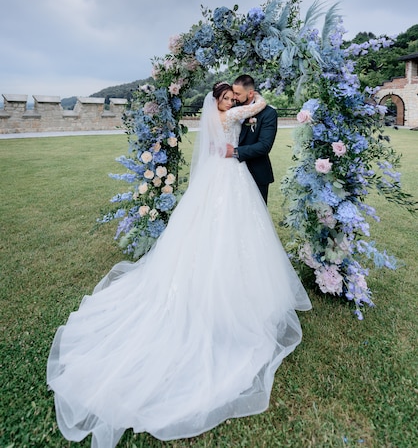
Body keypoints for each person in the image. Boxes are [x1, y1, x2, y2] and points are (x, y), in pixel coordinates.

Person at [47, 82, 311, 448]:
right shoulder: (232, 113)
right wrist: (255, 100)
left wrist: (247, 109)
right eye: (227, 97)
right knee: (224, 230)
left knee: (229, 229)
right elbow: (254, 109)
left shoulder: (218, 115)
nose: (231, 101)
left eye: (234, 97)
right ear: (219, 100)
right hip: (228, 174)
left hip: (226, 174)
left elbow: (253, 125)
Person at [226, 74, 278, 203]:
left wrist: (235, 152)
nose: (234, 97)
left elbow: (264, 145)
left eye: (238, 94)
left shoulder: (268, 113)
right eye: (234, 93)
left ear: (250, 94)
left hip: (256, 173)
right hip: (231, 172)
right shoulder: (230, 109)